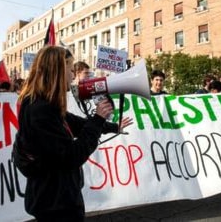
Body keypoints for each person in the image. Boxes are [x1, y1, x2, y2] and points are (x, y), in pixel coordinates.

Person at [13, 46, 133, 221]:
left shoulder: (43, 103)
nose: (72, 76)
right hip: (56, 202)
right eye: (70, 70)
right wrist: (98, 119)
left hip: (55, 196)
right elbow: (71, 156)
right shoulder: (40, 109)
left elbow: (76, 124)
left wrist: (112, 127)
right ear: (58, 71)